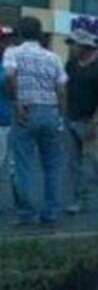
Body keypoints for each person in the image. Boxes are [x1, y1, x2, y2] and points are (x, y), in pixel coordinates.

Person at [4, 16, 68, 225]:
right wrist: (60, 115)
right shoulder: (53, 57)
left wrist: (17, 102)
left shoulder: (13, 52)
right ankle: (50, 212)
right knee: (52, 165)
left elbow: (10, 77)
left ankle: (26, 214)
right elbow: (61, 88)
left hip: (26, 111)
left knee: (24, 165)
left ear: (20, 34)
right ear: (40, 34)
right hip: (50, 112)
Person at [64, 29, 98, 215]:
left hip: (89, 120)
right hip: (71, 119)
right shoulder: (71, 65)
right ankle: (80, 200)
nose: (71, 47)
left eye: (74, 44)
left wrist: (95, 121)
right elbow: (65, 88)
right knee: (74, 164)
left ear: (85, 46)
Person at [0, 27, 15, 212]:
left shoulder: (10, 62)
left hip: (13, 120)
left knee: (14, 166)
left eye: (6, 40)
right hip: (2, 120)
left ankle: (21, 204)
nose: (4, 44)